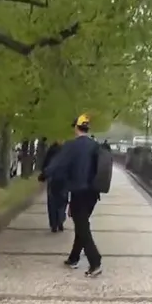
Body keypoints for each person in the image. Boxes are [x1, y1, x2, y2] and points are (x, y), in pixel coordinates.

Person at [43, 114, 103, 276]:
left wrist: (45, 173)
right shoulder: (95, 146)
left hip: (79, 191)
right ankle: (74, 258)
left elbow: (58, 163)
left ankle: (95, 261)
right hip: (93, 193)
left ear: (76, 127)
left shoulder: (71, 146)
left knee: (82, 226)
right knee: (82, 224)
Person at [39, 140, 67, 232]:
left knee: (52, 202)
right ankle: (60, 220)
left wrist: (43, 175)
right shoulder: (66, 150)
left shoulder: (51, 150)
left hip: (52, 179)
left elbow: (45, 165)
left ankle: (54, 223)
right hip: (63, 179)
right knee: (62, 201)